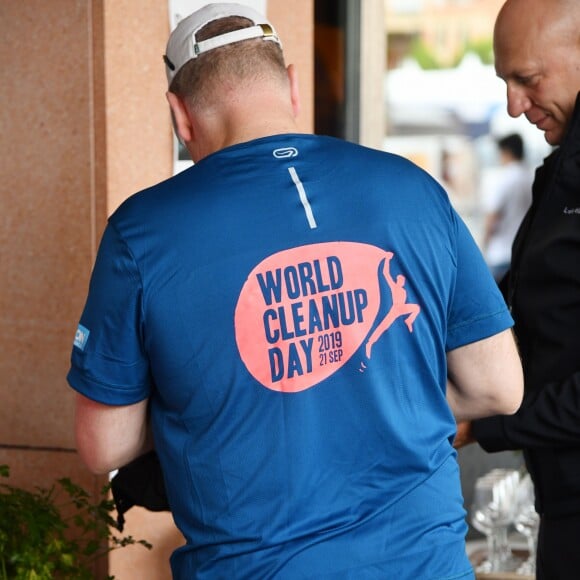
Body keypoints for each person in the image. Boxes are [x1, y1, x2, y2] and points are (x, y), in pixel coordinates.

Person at [67, 3, 523, 578]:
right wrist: (362, 402)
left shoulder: (141, 233)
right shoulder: (412, 189)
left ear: (180, 116)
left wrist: (230, 414)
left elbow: (102, 445)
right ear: (292, 85)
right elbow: (500, 388)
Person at [454, 0, 580, 578]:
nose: (512, 105)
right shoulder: (560, 172)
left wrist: (484, 420)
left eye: (527, 79)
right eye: (504, 81)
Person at [481, 133, 533, 282]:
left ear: (506, 152)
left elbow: (491, 218)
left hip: (500, 254)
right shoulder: (532, 177)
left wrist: (483, 246)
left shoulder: (502, 179)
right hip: (525, 254)